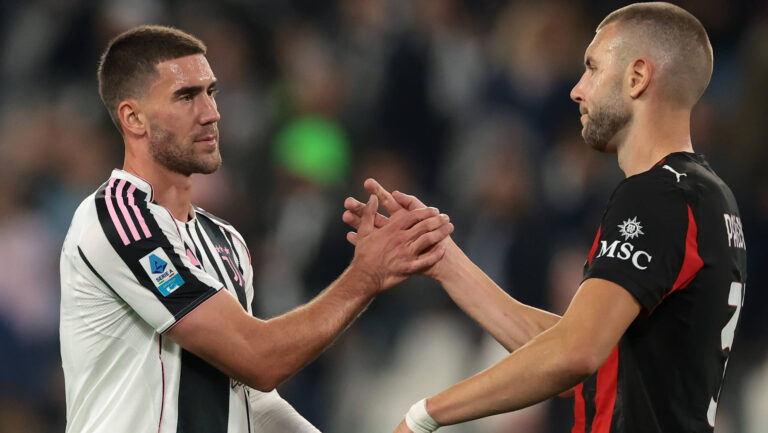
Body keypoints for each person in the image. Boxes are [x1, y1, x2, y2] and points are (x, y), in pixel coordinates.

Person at [343, 3, 747, 432]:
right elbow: (585, 357)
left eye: (592, 69)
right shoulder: (706, 196)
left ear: (637, 77)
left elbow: (575, 354)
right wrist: (444, 260)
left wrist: (427, 412)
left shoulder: (656, 195)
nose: (577, 89)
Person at [59, 25, 454, 433]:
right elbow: (258, 359)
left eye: (210, 92)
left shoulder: (225, 241)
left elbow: (250, 397)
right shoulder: (116, 220)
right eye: (185, 96)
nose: (211, 113)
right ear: (133, 117)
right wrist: (365, 275)